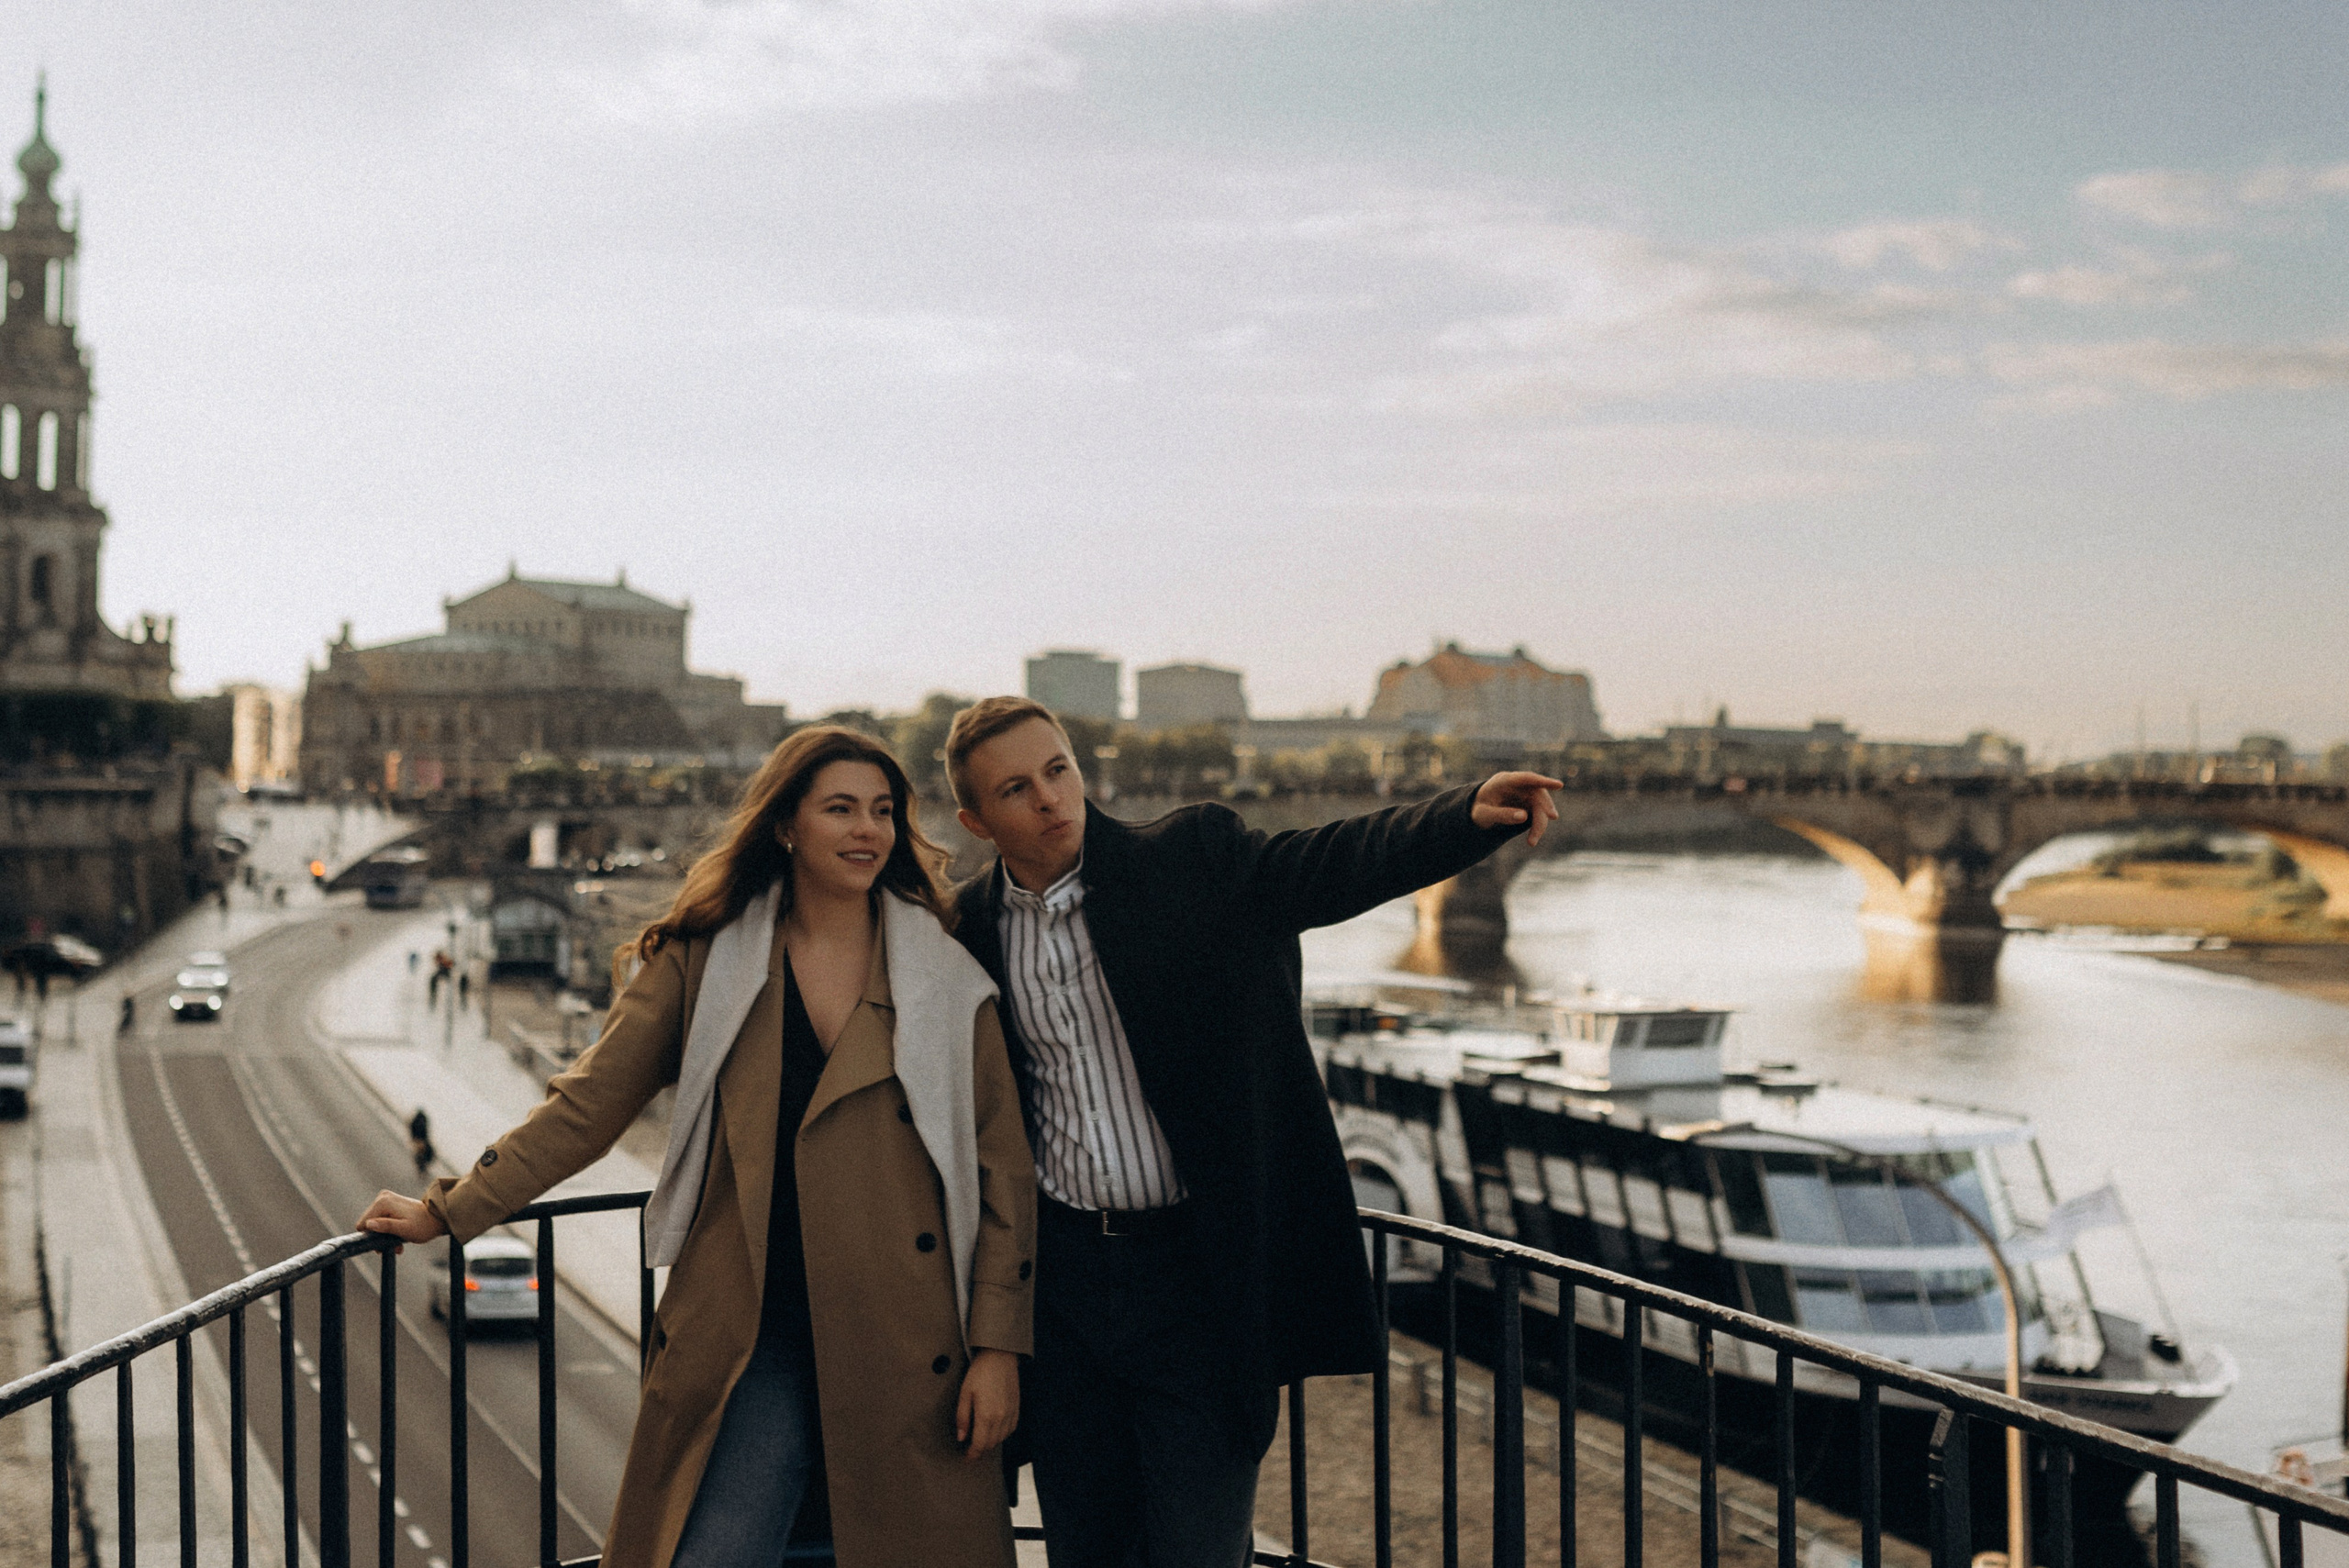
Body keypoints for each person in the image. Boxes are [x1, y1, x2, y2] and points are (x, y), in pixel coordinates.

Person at [358, 727, 1037, 1568]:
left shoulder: (946, 973)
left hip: (914, 1345)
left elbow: (1001, 1170)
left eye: (882, 811)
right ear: (786, 825)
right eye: (840, 809)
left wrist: (998, 1349)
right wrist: (450, 1209)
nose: (867, 830)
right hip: (755, 1333)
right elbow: (588, 1107)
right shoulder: (707, 958)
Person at [944, 696, 1560, 1568]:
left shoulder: (1188, 858)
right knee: (1088, 1549)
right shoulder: (967, 929)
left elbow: (1329, 864)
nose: (1050, 798)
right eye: (1017, 788)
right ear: (977, 819)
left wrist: (1459, 819)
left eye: (1059, 769)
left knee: (1198, 1548)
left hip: (1193, 1280)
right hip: (1066, 1291)